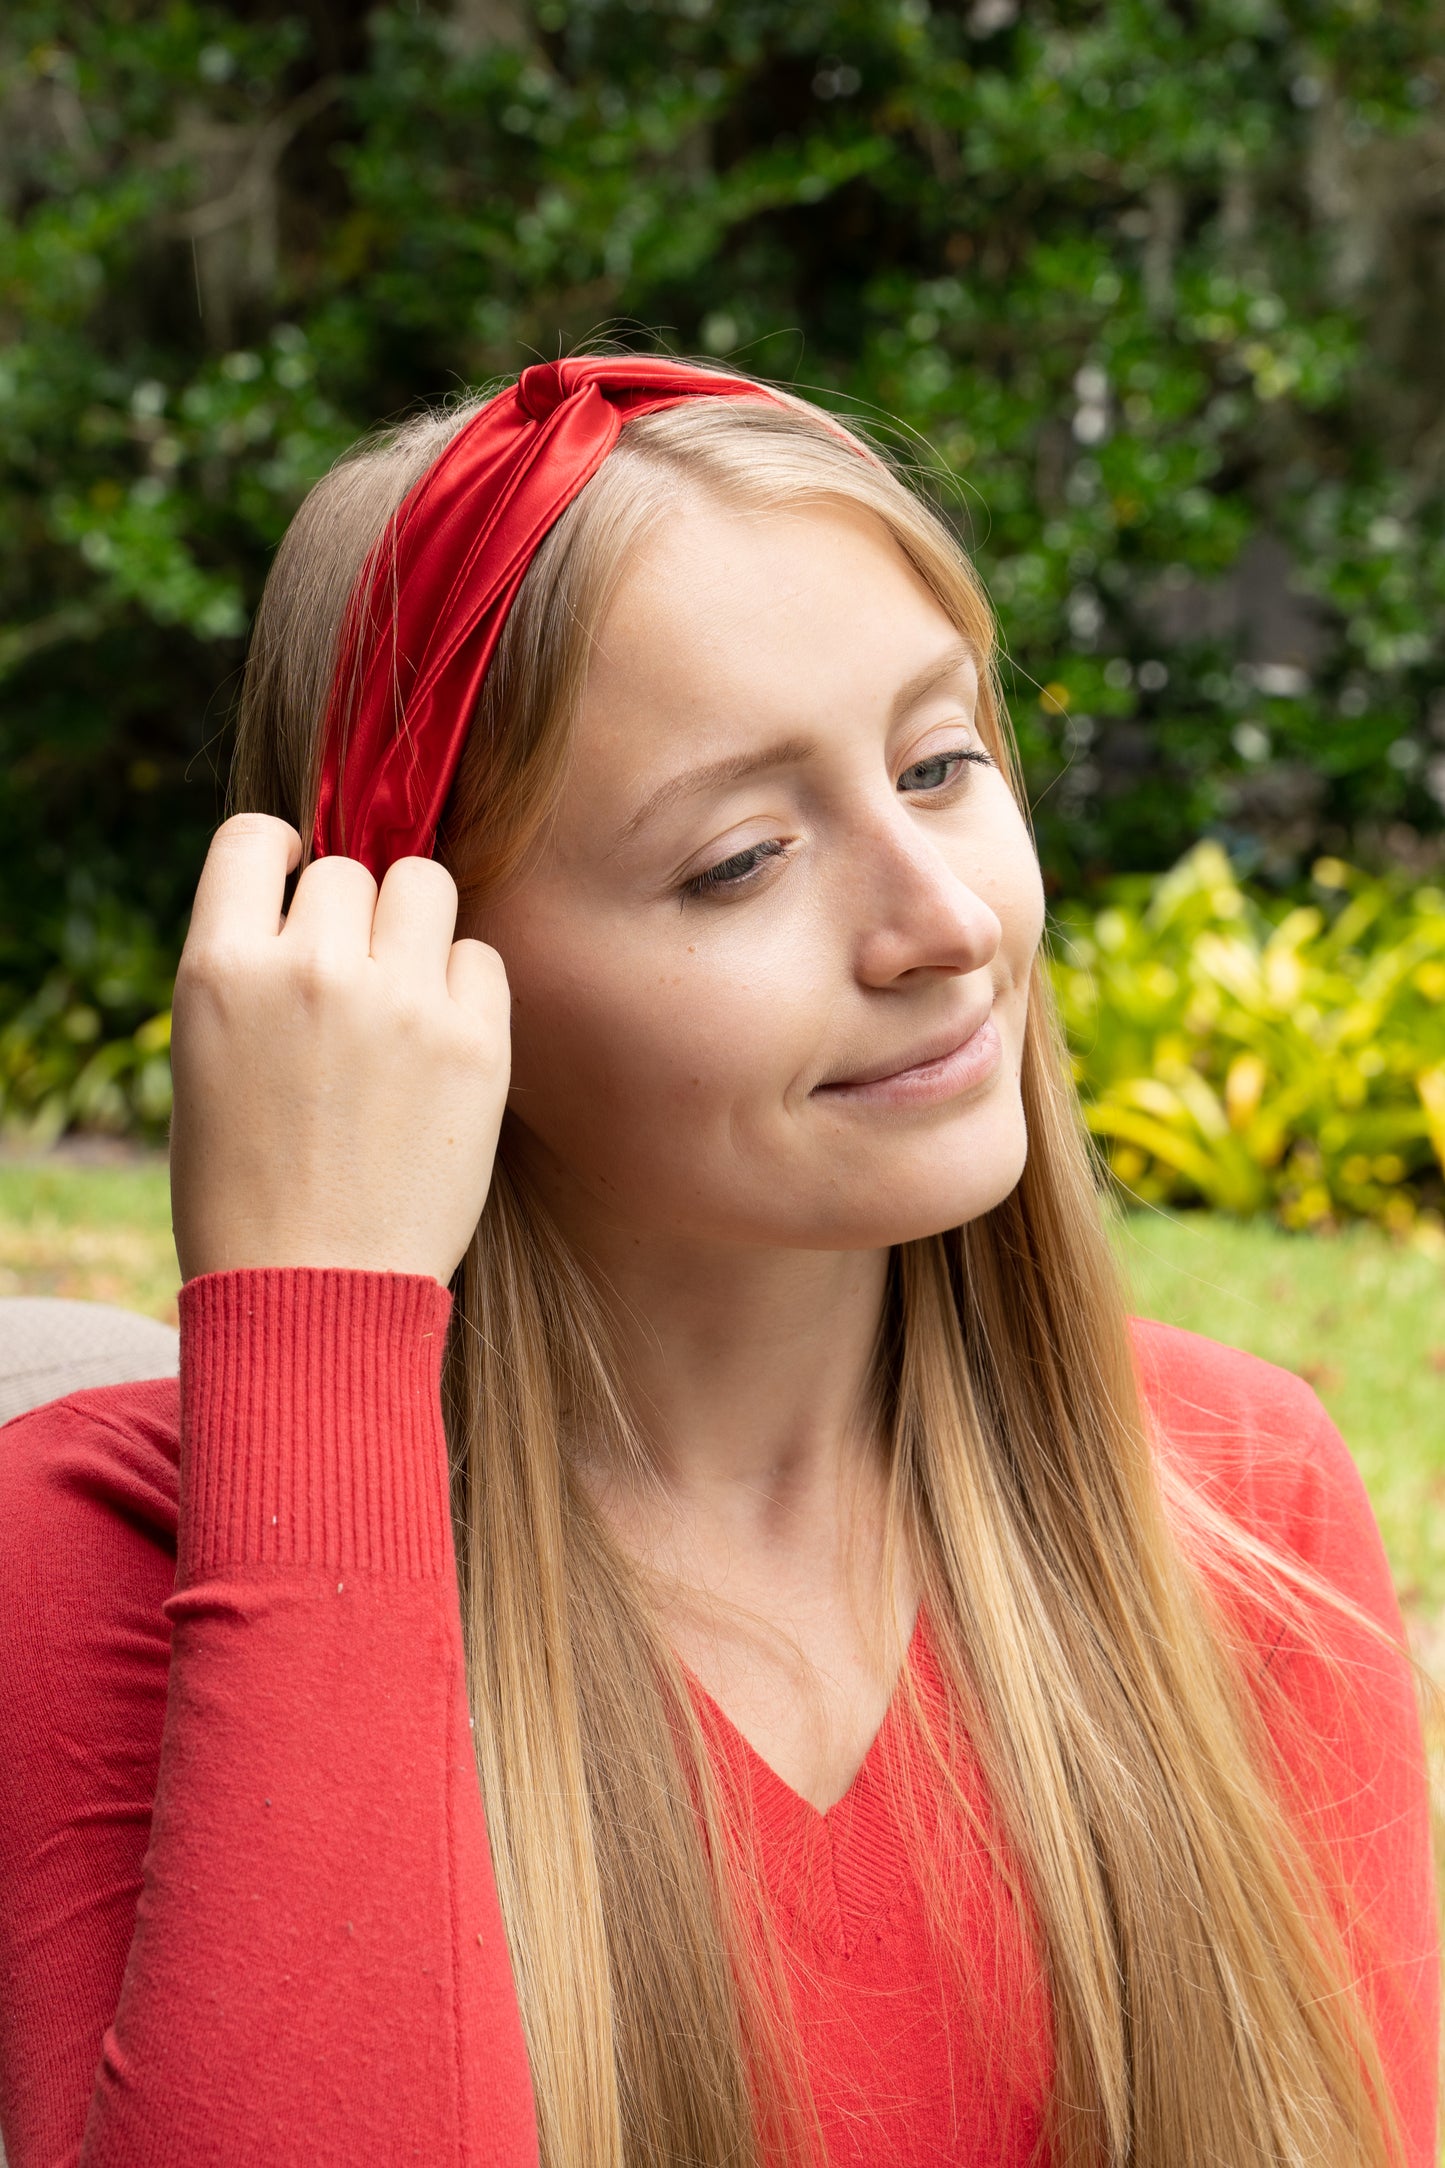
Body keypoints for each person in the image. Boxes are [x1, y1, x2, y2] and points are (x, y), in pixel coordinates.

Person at [0, 353, 1436, 2168]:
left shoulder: (1230, 1507)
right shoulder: (107, 1561)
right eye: (740, 860)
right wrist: (314, 1318)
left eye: (939, 761)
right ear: (409, 964)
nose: (945, 921)